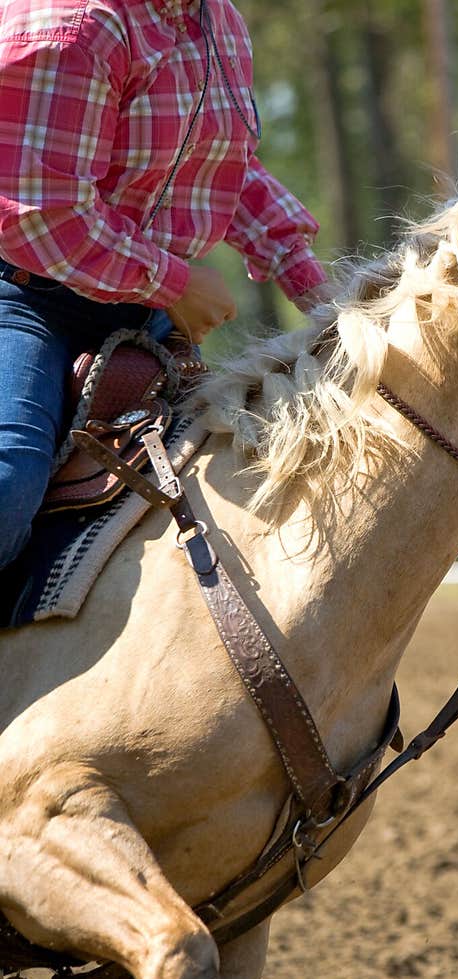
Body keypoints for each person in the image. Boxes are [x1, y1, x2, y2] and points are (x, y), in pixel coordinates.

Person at [0, 0, 329, 573]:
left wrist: (315, 287)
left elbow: (226, 163)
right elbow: (38, 215)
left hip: (145, 309)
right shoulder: (77, 21)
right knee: (8, 478)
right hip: (26, 296)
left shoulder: (217, 18)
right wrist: (173, 285)